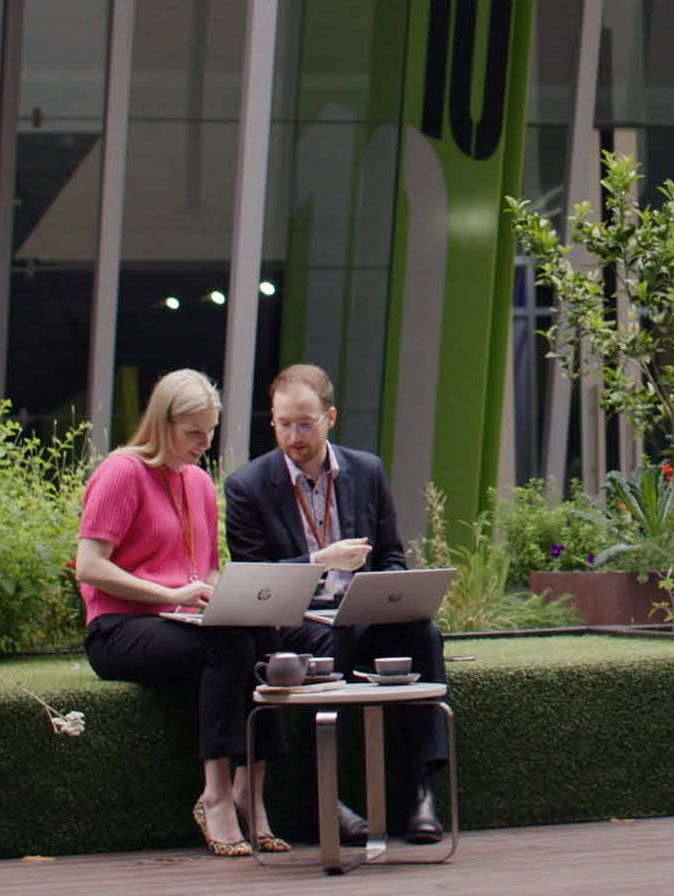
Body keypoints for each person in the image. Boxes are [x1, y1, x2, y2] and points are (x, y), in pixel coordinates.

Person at [223, 363, 449, 845]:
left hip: (361, 613)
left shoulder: (365, 470)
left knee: (423, 634)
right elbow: (254, 583)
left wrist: (389, 593)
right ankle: (322, 797)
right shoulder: (247, 486)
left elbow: (390, 556)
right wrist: (320, 561)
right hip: (297, 623)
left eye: (305, 423)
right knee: (331, 639)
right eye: (284, 424)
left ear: (330, 417)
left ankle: (421, 792)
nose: (294, 435)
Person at [74, 368, 288, 858]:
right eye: (193, 433)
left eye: (210, 431)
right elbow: (90, 567)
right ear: (162, 424)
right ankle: (213, 795)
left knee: (265, 642)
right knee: (229, 645)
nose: (204, 443)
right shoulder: (122, 471)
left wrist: (236, 598)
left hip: (177, 622)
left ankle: (249, 793)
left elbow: (206, 573)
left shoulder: (196, 481)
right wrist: (169, 590)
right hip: (117, 629)